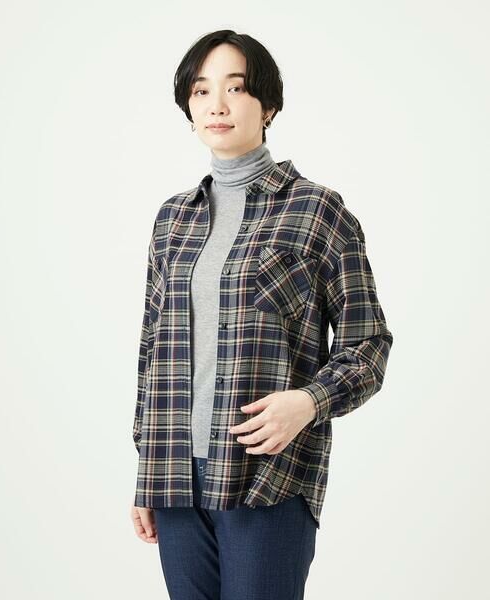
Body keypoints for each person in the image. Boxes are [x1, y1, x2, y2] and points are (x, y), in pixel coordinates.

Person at [130, 29, 393, 600]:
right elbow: (152, 351)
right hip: (174, 476)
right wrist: (146, 470)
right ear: (188, 107)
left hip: (267, 476)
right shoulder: (172, 219)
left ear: (268, 105)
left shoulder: (317, 210)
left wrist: (309, 402)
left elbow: (368, 345)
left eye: (236, 88)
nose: (217, 105)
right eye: (201, 91)